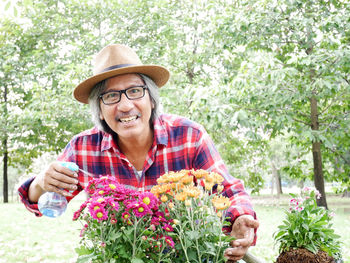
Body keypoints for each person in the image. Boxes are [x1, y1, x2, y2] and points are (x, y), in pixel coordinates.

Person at [18, 44, 259, 261]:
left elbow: (230, 191)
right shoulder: (84, 148)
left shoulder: (189, 136)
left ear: (152, 99)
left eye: (135, 91)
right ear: (100, 110)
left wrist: (240, 219)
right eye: (111, 96)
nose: (125, 106)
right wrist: (40, 182)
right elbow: (37, 202)